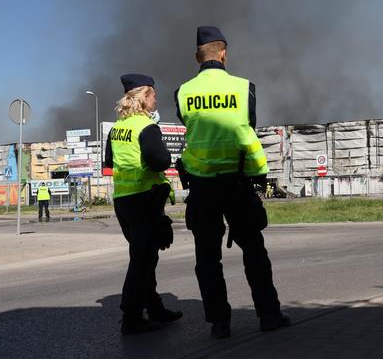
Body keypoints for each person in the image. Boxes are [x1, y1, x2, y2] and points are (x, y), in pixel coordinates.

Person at [175, 26, 289, 339]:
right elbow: (247, 129)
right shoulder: (243, 88)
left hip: (201, 186)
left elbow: (192, 128)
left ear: (198, 56)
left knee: (207, 258)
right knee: (254, 251)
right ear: (224, 53)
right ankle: (268, 315)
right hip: (238, 183)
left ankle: (219, 323)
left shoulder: (184, 92)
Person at [104, 73, 182, 335]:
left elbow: (108, 164)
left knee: (145, 257)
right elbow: (160, 161)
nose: (156, 98)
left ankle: (155, 308)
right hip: (145, 199)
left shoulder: (117, 128)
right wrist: (166, 154)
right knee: (142, 260)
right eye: (153, 94)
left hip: (123, 202)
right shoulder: (145, 127)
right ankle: (131, 317)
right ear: (143, 97)